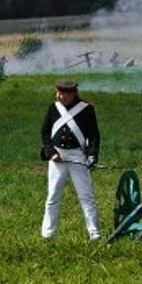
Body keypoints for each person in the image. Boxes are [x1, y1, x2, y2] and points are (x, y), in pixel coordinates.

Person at [40, 79, 101, 240]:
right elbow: (45, 133)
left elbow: (93, 135)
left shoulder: (87, 109)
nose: (60, 97)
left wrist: (92, 155)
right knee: (53, 196)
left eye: (63, 94)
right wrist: (51, 151)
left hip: (77, 156)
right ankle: (48, 233)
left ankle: (94, 233)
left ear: (72, 93)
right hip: (57, 156)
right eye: (58, 93)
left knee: (86, 196)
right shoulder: (53, 108)